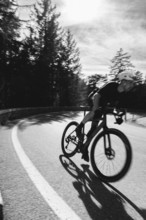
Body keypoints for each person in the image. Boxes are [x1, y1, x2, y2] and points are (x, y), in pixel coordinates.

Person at [76, 70, 136, 162]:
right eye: (130, 82)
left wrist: (119, 115)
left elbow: (117, 107)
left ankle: (85, 148)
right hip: (95, 98)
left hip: (103, 105)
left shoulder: (123, 94)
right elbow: (97, 95)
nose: (131, 85)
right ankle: (79, 127)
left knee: (93, 129)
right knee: (93, 112)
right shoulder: (111, 85)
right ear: (123, 82)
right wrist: (95, 107)